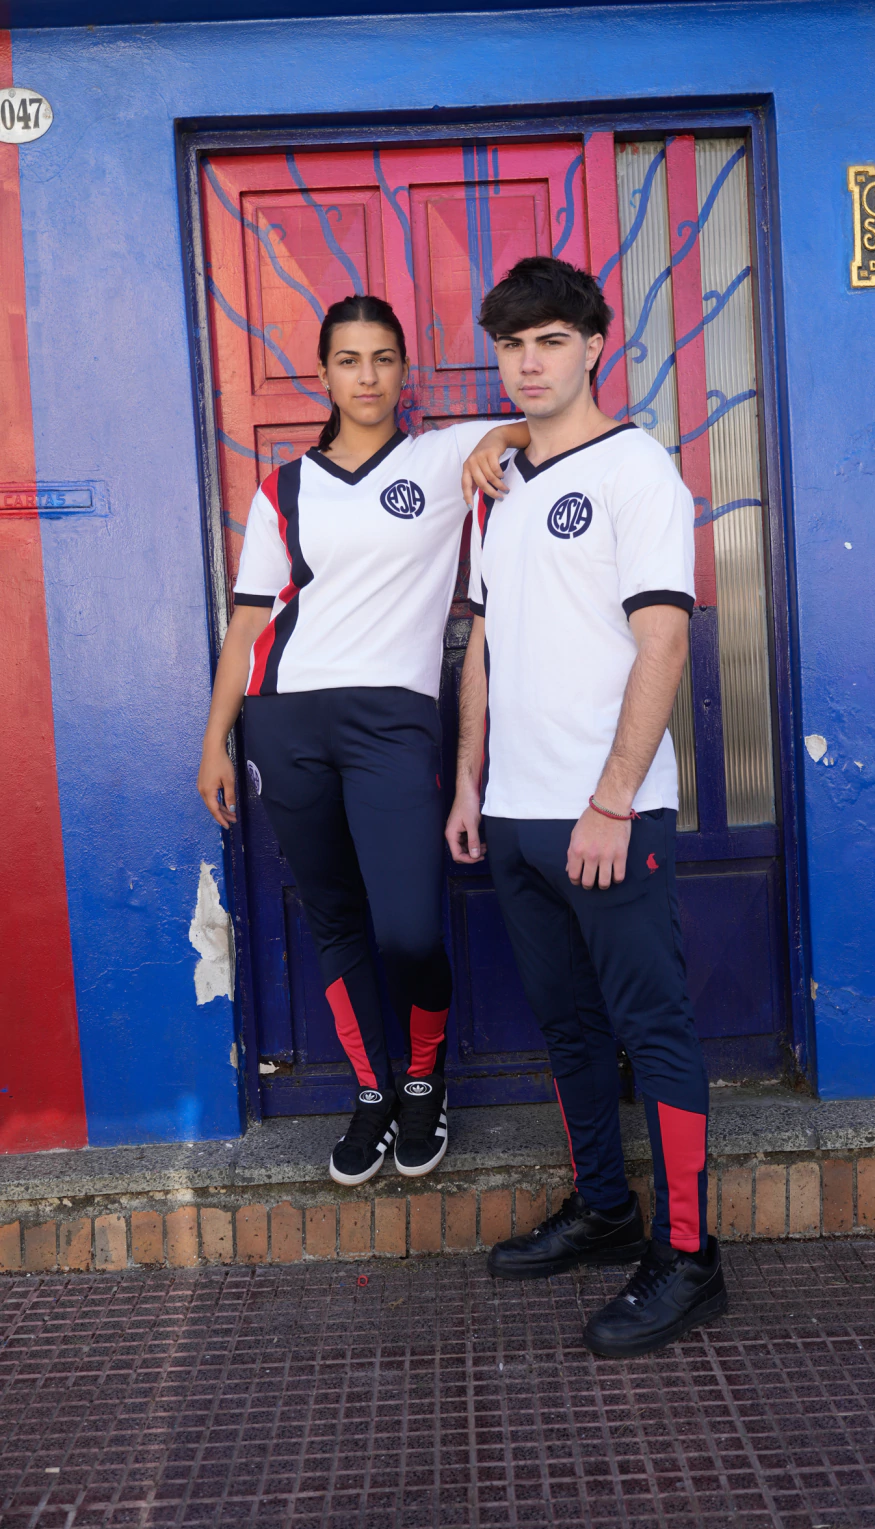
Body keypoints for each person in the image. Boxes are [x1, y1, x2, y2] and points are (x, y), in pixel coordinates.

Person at [445, 256, 728, 1358]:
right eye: (512, 345)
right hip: (515, 816)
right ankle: (606, 1210)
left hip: (607, 818)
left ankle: (689, 1257)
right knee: (566, 1027)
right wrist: (469, 783)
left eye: (551, 341)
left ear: (595, 345)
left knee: (652, 1031)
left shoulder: (639, 472)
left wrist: (611, 802)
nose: (529, 363)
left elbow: (664, 641)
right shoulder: (500, 485)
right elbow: (480, 645)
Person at [198, 293, 527, 1188]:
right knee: (336, 918)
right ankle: (374, 1091)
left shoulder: (441, 456)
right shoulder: (284, 489)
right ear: (325, 374)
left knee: (411, 928)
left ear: (403, 370)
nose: (368, 376)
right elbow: (248, 622)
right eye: (349, 360)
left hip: (393, 722)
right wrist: (216, 739)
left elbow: (545, 424)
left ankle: (425, 1080)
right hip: (286, 719)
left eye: (383, 358)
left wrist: (499, 441)